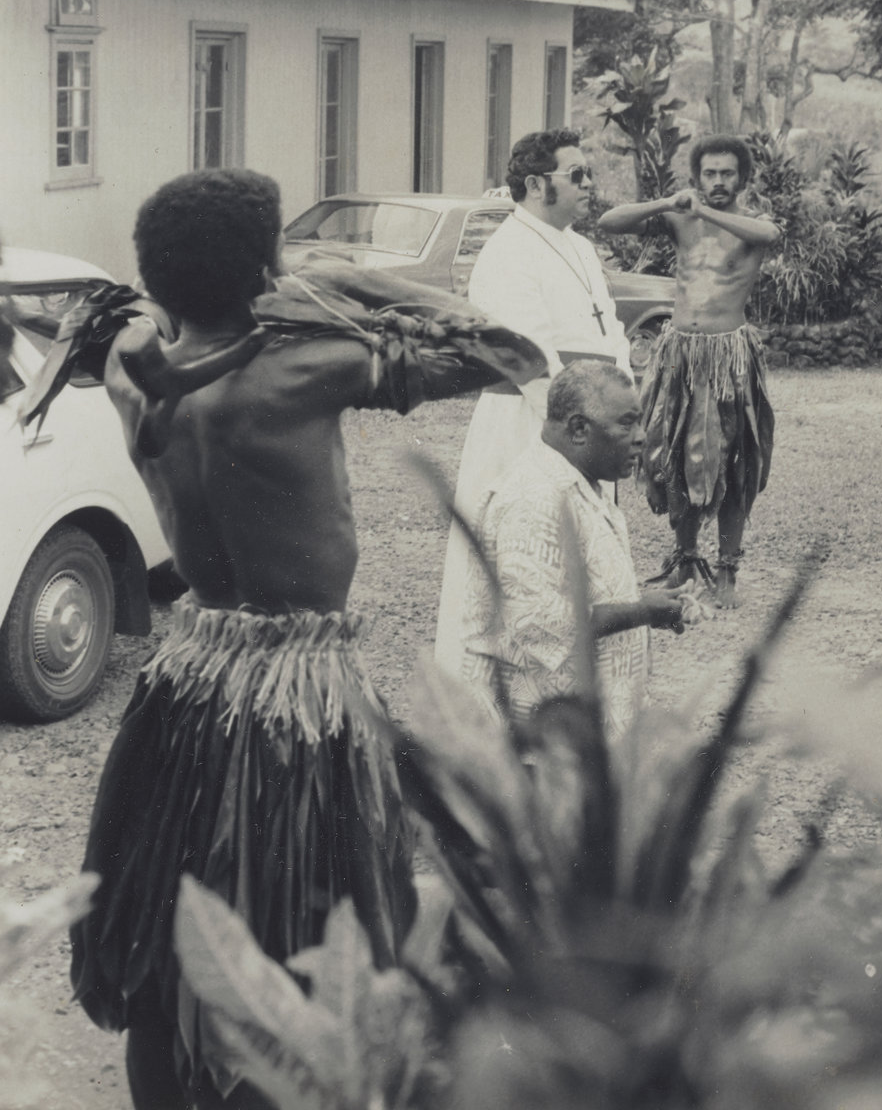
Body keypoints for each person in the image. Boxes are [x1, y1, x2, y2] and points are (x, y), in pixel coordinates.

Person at [53, 168, 545, 1110]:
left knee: (166, 930)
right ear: (264, 268)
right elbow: (511, 355)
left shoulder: (130, 369)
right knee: (306, 939)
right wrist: (345, 281)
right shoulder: (307, 367)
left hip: (189, 673)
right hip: (300, 695)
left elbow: (144, 328)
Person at [434, 129, 633, 676]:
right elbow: (531, 356)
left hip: (589, 424)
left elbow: (612, 334)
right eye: (577, 175)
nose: (589, 184)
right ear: (535, 184)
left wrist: (621, 405)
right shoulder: (506, 252)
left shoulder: (582, 248)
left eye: (589, 174)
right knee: (521, 560)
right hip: (532, 425)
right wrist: (585, 421)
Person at [462, 361, 700, 738]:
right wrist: (641, 610)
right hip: (540, 742)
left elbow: (572, 591)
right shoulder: (531, 501)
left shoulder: (581, 484)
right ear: (578, 429)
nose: (641, 437)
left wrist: (647, 605)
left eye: (640, 423)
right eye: (627, 424)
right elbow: (537, 623)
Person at [598, 134, 780, 608]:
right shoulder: (679, 219)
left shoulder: (751, 225)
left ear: (742, 178)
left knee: (732, 463)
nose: (718, 181)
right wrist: (667, 203)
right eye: (709, 173)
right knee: (673, 457)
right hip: (678, 352)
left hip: (728, 357)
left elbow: (770, 236)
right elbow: (608, 222)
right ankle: (684, 561)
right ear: (696, 177)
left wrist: (704, 211)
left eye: (727, 174)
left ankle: (727, 572)